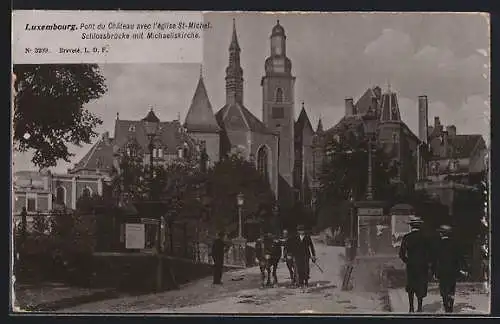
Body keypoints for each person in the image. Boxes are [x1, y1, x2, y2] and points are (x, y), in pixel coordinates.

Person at [432, 224, 468, 313]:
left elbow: (434, 259)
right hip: (453, 270)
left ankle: (445, 305)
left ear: (441, 234)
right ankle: (450, 306)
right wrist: (465, 268)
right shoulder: (455, 244)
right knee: (452, 288)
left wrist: (434, 271)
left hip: (442, 270)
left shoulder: (437, 244)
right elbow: (460, 257)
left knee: (443, 288)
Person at [398, 216, 430, 312]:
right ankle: (419, 307)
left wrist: (407, 261)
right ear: (420, 226)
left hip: (411, 265)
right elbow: (429, 252)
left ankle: (411, 307)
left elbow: (401, 253)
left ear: (411, 226)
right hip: (422, 265)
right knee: (421, 285)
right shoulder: (425, 238)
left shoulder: (407, 237)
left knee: (411, 286)